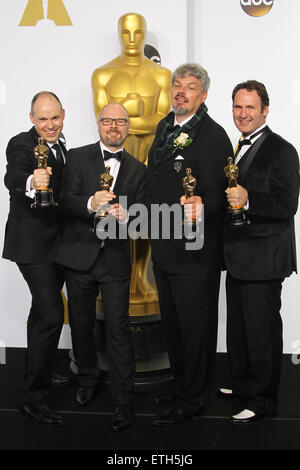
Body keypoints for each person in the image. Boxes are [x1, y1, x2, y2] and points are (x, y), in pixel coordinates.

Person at [146, 63, 233, 425]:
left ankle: (193, 398)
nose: (181, 91)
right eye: (177, 85)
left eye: (191, 87)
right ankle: (181, 384)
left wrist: (203, 205)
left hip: (196, 253)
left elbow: (222, 195)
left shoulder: (213, 136)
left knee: (196, 329)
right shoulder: (164, 128)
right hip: (165, 249)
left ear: (203, 95)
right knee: (175, 327)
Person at [55, 103, 147, 431]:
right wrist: (89, 203)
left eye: (120, 122)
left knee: (118, 329)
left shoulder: (139, 169)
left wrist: (132, 216)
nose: (113, 126)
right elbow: (63, 201)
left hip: (115, 259)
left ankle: (123, 399)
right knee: (80, 325)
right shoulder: (77, 157)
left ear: (127, 127)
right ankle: (88, 381)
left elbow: (145, 216)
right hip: (78, 256)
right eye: (108, 120)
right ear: (99, 123)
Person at [219, 80, 299, 424]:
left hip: (264, 259)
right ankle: (243, 386)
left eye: (250, 107)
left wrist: (249, 199)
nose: (243, 114)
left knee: (262, 332)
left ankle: (263, 400)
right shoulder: (238, 146)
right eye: (238, 107)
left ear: (265, 110)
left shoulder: (281, 149)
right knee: (238, 329)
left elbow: (287, 204)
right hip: (239, 257)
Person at [2, 91, 68, 426]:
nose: (49, 125)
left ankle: (34, 370)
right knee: (54, 313)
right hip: (31, 245)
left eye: (54, 117)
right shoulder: (21, 143)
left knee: (41, 312)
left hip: (55, 245)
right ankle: (34, 398)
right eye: (42, 119)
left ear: (63, 114)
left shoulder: (63, 146)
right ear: (32, 119)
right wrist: (30, 180)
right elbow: (12, 176)